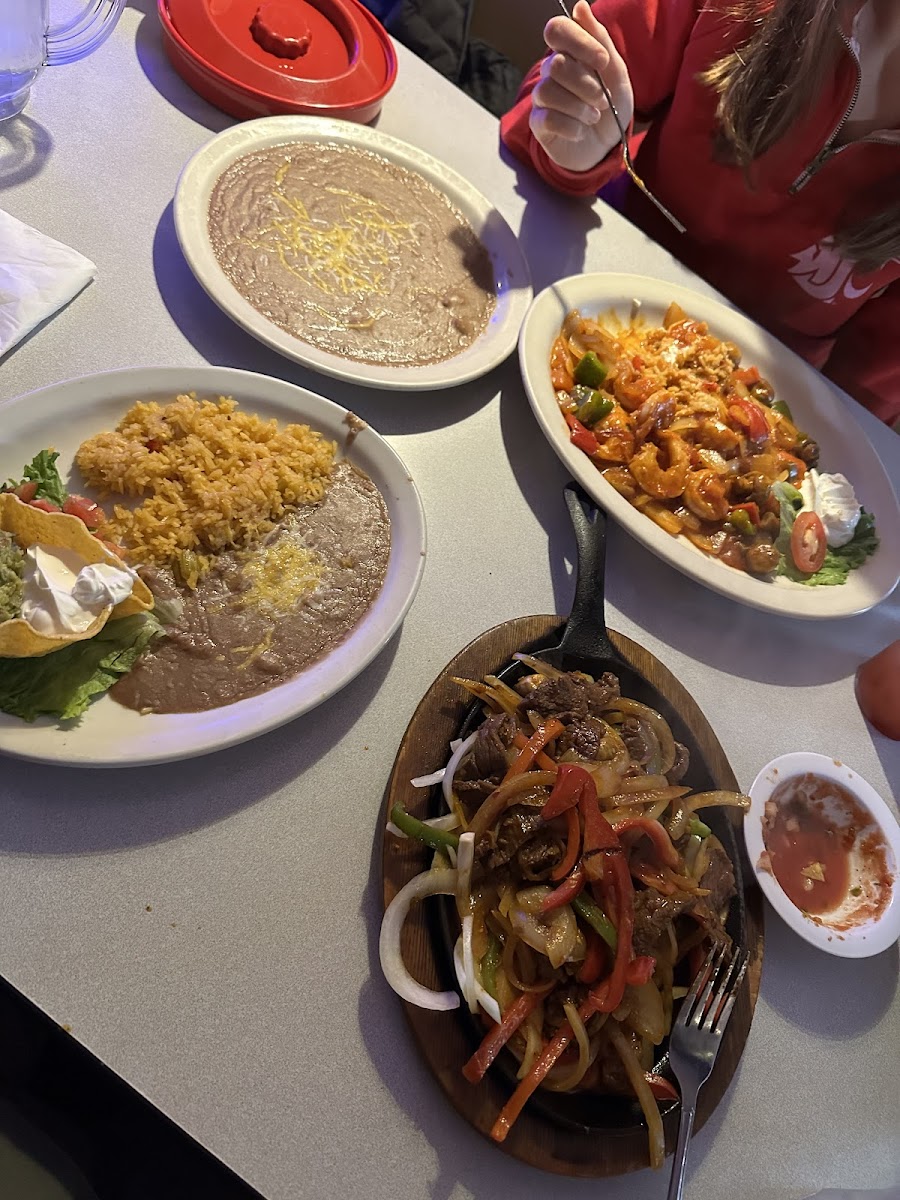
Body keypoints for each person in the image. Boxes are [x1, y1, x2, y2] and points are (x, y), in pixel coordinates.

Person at [500, 0, 900, 427]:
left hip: (756, 409)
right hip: (578, 277)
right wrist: (573, 149)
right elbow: (546, 120)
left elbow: (864, 415)